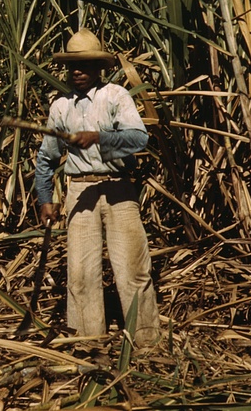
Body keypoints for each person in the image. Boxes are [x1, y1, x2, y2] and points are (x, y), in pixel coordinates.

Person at [34, 29, 161, 346]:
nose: (78, 71)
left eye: (86, 65)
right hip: (80, 192)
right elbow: (47, 157)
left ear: (98, 67)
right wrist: (45, 198)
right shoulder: (61, 107)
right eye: (73, 66)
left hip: (118, 190)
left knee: (132, 269)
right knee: (80, 274)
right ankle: (89, 345)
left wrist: (99, 137)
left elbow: (139, 138)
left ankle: (146, 344)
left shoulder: (115, 96)